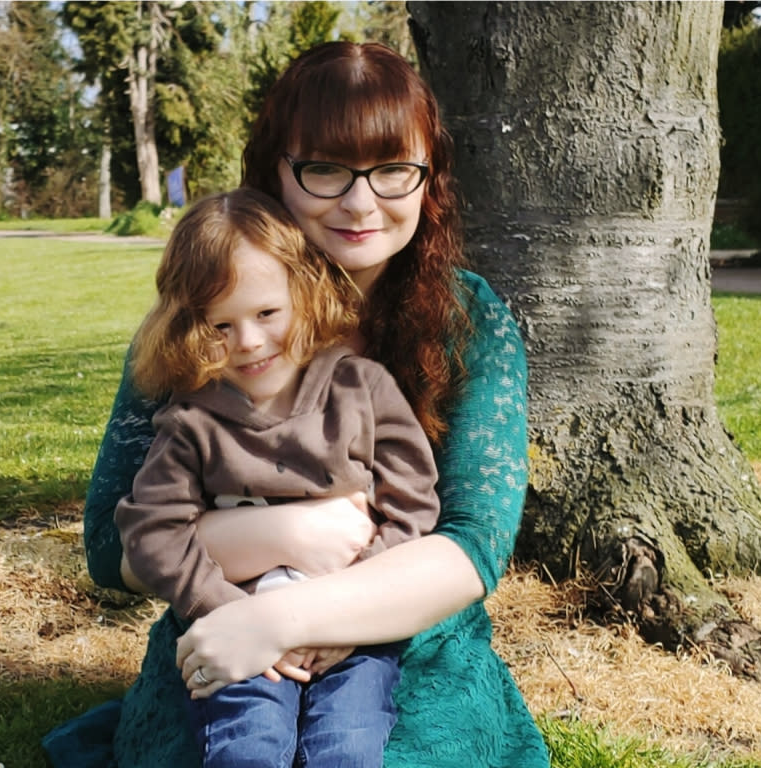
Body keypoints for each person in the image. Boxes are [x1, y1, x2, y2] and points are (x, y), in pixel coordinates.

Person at [44, 41, 550, 768]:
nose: (359, 201)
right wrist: (291, 536)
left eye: (392, 171)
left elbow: (473, 544)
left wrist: (294, 615)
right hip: (219, 619)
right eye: (325, 169)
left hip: (407, 636)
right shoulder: (205, 312)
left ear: (428, 179)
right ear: (274, 172)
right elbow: (108, 539)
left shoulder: (469, 320)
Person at [114, 187, 442, 767]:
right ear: (190, 325)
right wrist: (225, 611)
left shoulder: (361, 389)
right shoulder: (192, 421)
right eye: (222, 325)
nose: (248, 341)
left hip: (354, 635)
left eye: (266, 313)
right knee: (248, 744)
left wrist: (348, 611)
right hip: (240, 627)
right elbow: (153, 533)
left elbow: (413, 507)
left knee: (347, 746)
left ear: (304, 294)